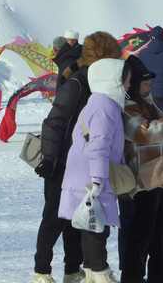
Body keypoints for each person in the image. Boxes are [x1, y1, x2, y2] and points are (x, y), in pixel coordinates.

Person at [32, 31, 122, 283]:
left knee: (79, 218)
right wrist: (49, 159)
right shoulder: (79, 83)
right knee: (54, 218)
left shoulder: (104, 86)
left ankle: (73, 269)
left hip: (84, 161)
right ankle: (41, 271)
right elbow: (54, 121)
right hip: (62, 160)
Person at [59, 58, 132, 283]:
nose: (129, 85)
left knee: (94, 228)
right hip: (90, 178)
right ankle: (99, 274)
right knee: (95, 230)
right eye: (126, 80)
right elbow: (98, 146)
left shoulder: (99, 103)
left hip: (85, 175)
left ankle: (93, 273)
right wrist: (98, 180)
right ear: (113, 81)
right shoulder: (104, 108)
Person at [119, 56, 163, 283]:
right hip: (142, 180)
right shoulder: (125, 108)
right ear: (132, 84)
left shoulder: (148, 103)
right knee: (141, 233)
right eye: (146, 82)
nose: (150, 87)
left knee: (161, 231)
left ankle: (161, 273)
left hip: (162, 177)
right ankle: (133, 277)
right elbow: (145, 133)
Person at [138, 26, 163, 114]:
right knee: (162, 122)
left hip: (146, 94)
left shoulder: (142, 54)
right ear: (162, 37)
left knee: (148, 121)